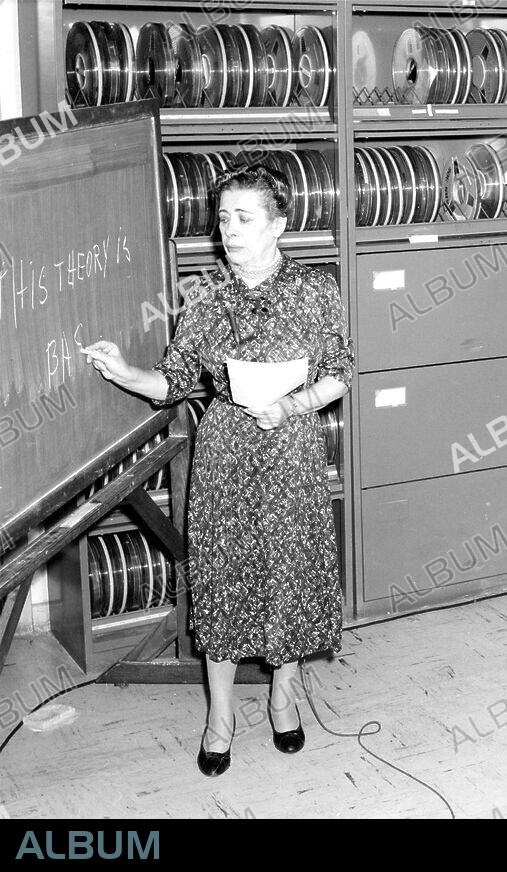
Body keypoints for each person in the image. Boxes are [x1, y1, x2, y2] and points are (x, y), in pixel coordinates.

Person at [83, 164, 354, 776]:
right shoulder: (205, 295)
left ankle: (284, 702)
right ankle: (220, 718)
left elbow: (338, 374)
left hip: (291, 449)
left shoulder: (316, 291)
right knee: (223, 581)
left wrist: (292, 404)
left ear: (279, 224)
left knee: (291, 575)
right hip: (227, 451)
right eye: (223, 218)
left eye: (244, 218)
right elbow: (174, 380)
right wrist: (126, 372)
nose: (228, 231)